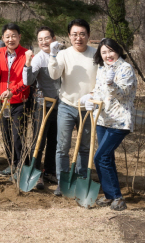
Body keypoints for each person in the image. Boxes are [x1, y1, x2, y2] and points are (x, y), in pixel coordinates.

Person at [84, 38, 136, 211]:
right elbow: (99, 90)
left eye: (111, 51)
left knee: (101, 157)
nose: (108, 55)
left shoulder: (125, 68)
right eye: (104, 52)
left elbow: (123, 94)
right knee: (107, 158)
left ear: (118, 50)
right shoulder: (102, 68)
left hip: (119, 121)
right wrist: (89, 98)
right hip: (102, 119)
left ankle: (118, 197)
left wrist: (111, 84)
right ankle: (109, 196)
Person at [48, 19, 97, 196]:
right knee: (62, 146)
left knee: (84, 147)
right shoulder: (63, 54)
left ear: (88, 35)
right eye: (74, 34)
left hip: (88, 108)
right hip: (67, 106)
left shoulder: (96, 54)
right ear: (69, 36)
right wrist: (52, 57)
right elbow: (54, 74)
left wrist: (94, 96)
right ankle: (62, 182)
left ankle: (81, 180)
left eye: (82, 34)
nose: (78, 38)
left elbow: (101, 81)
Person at [0, 23, 30, 178]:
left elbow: (27, 80)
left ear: (19, 37)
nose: (10, 39)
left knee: (17, 135)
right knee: (5, 134)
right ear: (3, 38)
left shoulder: (26, 54)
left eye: (13, 36)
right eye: (7, 36)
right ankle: (12, 163)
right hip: (3, 101)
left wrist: (13, 91)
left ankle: (21, 166)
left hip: (19, 100)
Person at [23, 26, 62, 189]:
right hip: (42, 106)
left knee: (55, 140)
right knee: (39, 140)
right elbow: (28, 81)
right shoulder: (38, 58)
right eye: (40, 39)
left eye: (47, 38)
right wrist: (28, 63)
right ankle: (35, 172)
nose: (44, 42)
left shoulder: (62, 55)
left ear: (53, 39)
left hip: (60, 105)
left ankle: (50, 171)